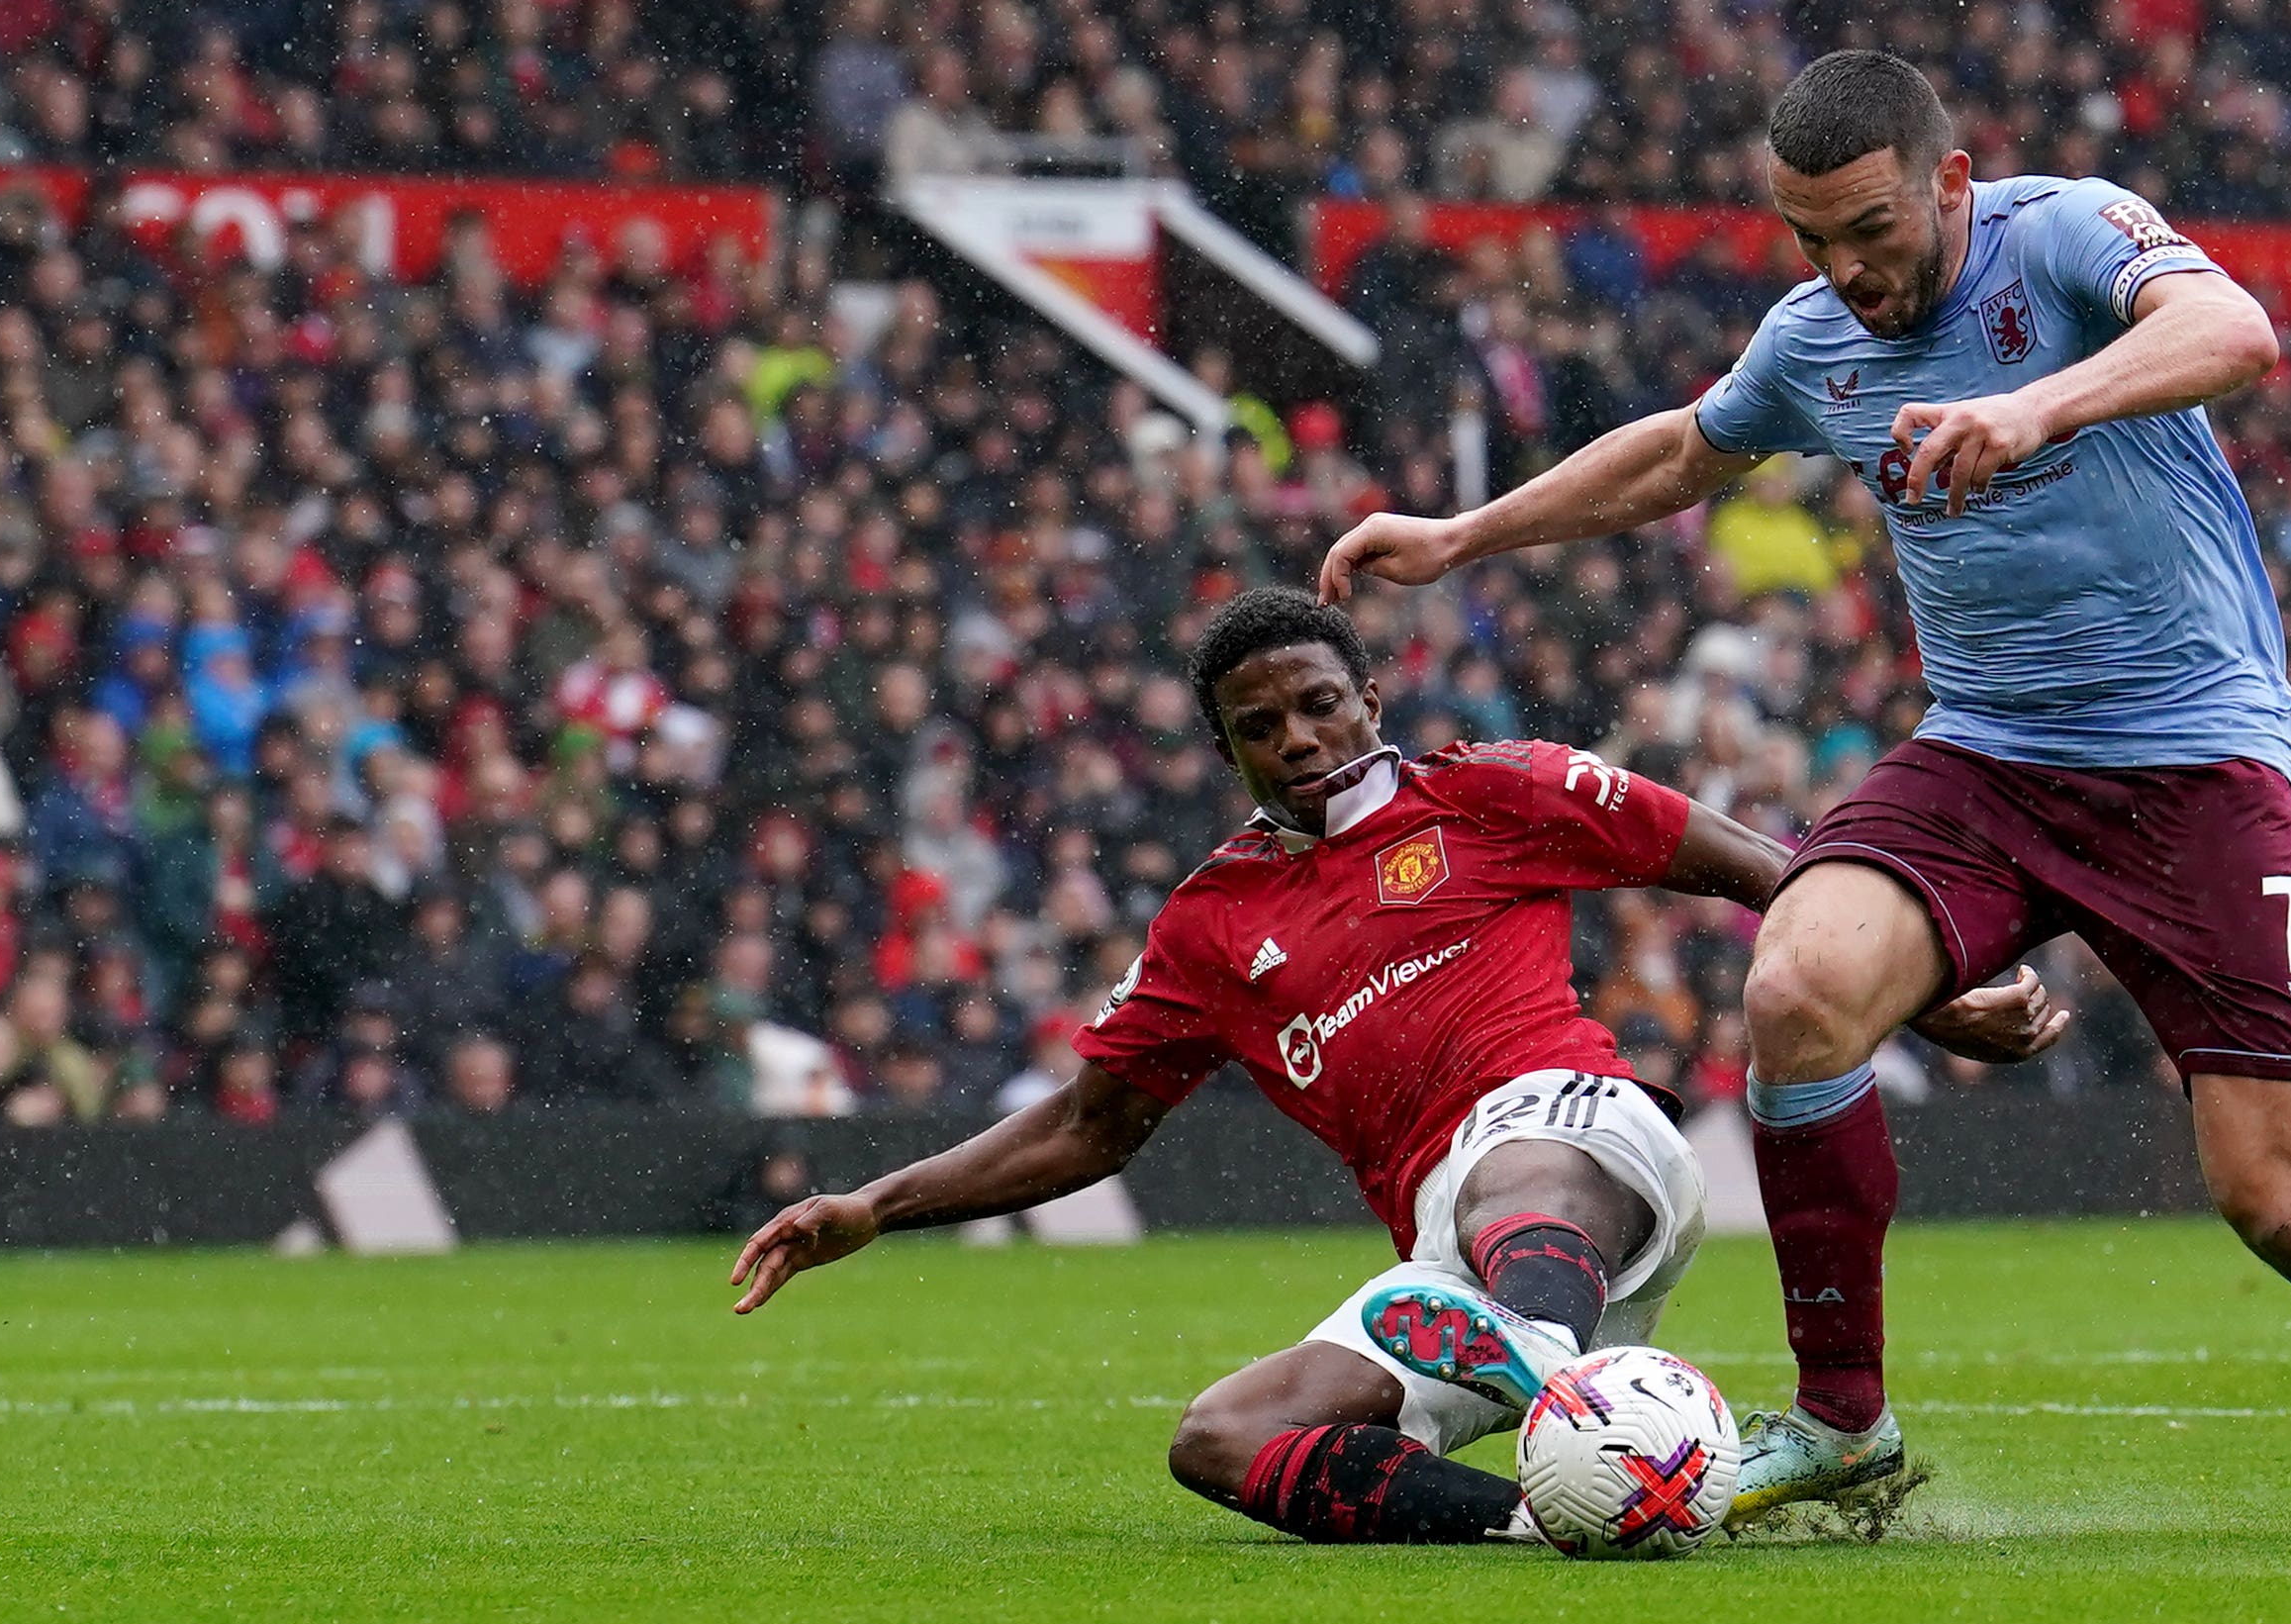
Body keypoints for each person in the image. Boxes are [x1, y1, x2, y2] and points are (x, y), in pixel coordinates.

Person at [1324, 48, 2291, 1540]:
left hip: (2190, 762)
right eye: (1809, 238)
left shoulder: (2067, 234)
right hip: (1985, 754)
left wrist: (2041, 409)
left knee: (2281, 1199)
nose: (1845, 269)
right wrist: (1462, 536)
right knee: (1798, 990)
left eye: (1871, 229)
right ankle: (1844, 1421)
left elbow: (2234, 330)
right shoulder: (1815, 333)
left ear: (1949, 182)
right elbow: (1682, 454)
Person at [727, 588, 2061, 1547]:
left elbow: (1734, 860)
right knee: (1222, 1441)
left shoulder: (1493, 792)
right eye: (1264, 725)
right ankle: (1563, 1503)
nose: (1300, 736)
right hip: (1445, 1252)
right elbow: (1087, 1127)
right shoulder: (1208, 925)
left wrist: (1923, 986)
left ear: (1370, 698)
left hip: (1580, 1139)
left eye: (1320, 704)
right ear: (1230, 749)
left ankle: (1547, 1367)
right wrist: (875, 1205)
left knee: (1510, 1175)